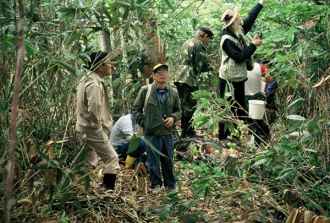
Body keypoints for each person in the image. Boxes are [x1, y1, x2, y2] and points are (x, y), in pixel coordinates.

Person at [218, 0, 265, 140]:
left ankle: (236, 134)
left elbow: (249, 19)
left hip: (237, 78)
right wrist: (253, 45)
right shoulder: (226, 39)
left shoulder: (237, 31)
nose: (241, 21)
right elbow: (239, 57)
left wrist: (260, 4)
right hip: (228, 80)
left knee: (238, 106)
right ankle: (223, 136)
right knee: (226, 107)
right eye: (238, 20)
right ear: (232, 23)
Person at [133, 64, 181, 192]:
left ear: (168, 75)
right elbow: (136, 110)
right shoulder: (145, 90)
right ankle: (156, 185)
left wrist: (173, 118)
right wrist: (145, 123)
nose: (162, 74)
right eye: (158, 72)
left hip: (167, 132)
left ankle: (170, 185)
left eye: (165, 72)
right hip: (152, 133)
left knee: (168, 160)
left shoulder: (174, 92)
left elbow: (178, 111)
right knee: (153, 161)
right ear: (153, 76)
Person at [76, 51, 120, 190]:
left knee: (89, 160)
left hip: (83, 127)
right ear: (100, 67)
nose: (112, 66)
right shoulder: (94, 84)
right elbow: (94, 107)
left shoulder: (86, 79)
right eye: (108, 64)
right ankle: (108, 189)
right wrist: (98, 125)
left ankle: (83, 189)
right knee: (112, 158)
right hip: (92, 129)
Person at [175, 27, 214, 138]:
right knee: (189, 106)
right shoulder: (199, 44)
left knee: (183, 105)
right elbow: (200, 66)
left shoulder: (187, 42)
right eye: (209, 39)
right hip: (188, 78)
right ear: (204, 36)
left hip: (179, 76)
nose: (208, 42)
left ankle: (186, 130)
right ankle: (187, 132)